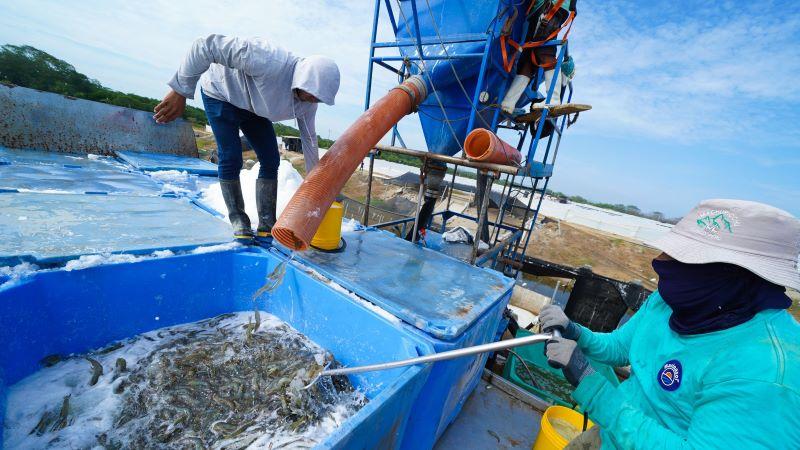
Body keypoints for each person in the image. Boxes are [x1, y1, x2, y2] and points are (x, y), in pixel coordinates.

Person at [540, 199, 800, 449]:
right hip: (612, 434)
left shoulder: (768, 372)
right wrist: (576, 332)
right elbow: (620, 347)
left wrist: (593, 388)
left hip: (619, 421)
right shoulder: (675, 299)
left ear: (735, 274)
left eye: (683, 258)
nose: (661, 262)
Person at [154, 34, 340, 242]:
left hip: (254, 108)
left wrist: (315, 185)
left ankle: (267, 222)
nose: (314, 99)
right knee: (231, 156)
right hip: (221, 94)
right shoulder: (269, 60)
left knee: (271, 158)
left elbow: (309, 140)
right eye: (312, 92)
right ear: (303, 78)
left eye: (319, 98)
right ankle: (238, 219)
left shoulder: (308, 105)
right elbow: (205, 46)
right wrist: (180, 90)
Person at [501, 0, 576, 115]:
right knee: (527, 59)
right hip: (541, 8)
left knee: (545, 52)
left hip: (552, 6)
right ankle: (508, 103)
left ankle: (554, 99)